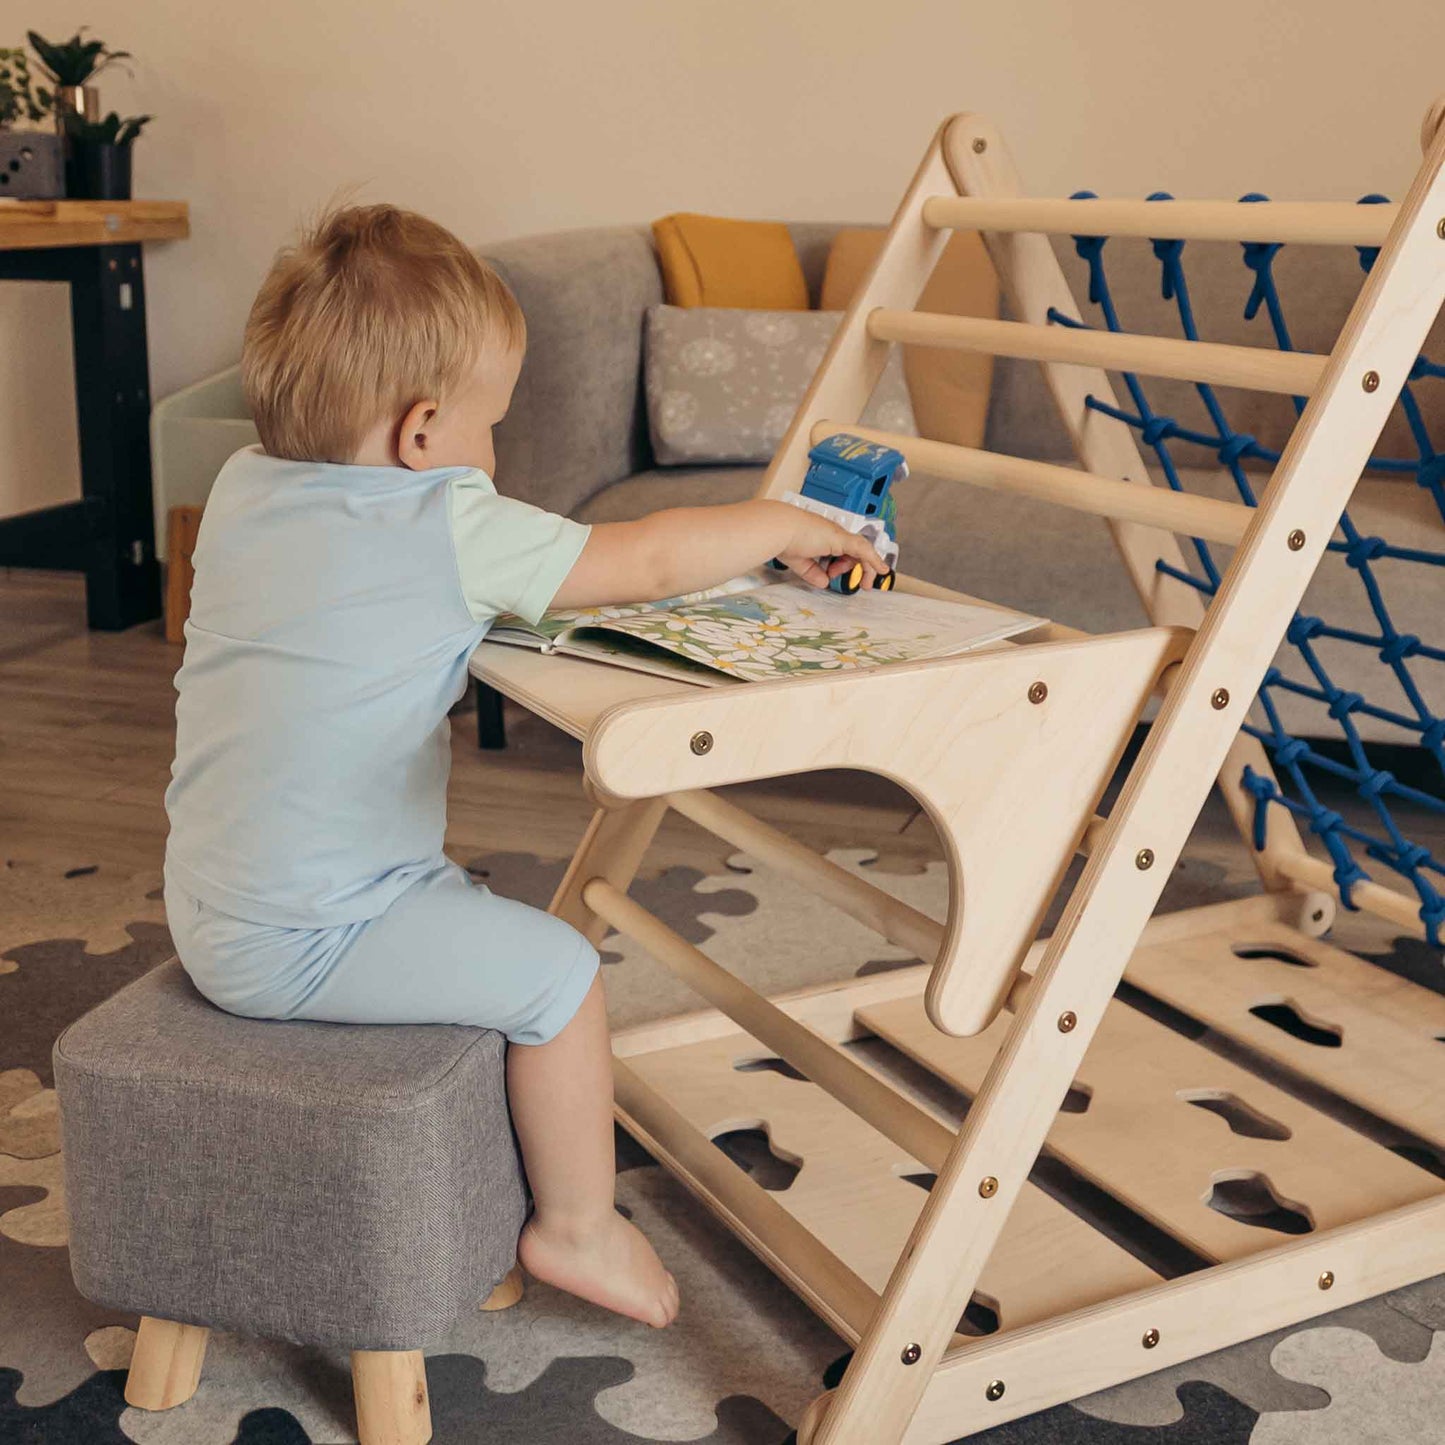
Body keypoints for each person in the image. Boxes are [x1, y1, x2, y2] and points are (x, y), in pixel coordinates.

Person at [164, 204, 883, 1330]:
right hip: (308, 935)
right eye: (491, 426)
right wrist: (775, 521)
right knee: (559, 976)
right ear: (421, 433)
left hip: (215, 897)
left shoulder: (247, 487)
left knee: (467, 904)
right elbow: (636, 556)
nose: (494, 456)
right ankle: (576, 1226)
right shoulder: (441, 516)